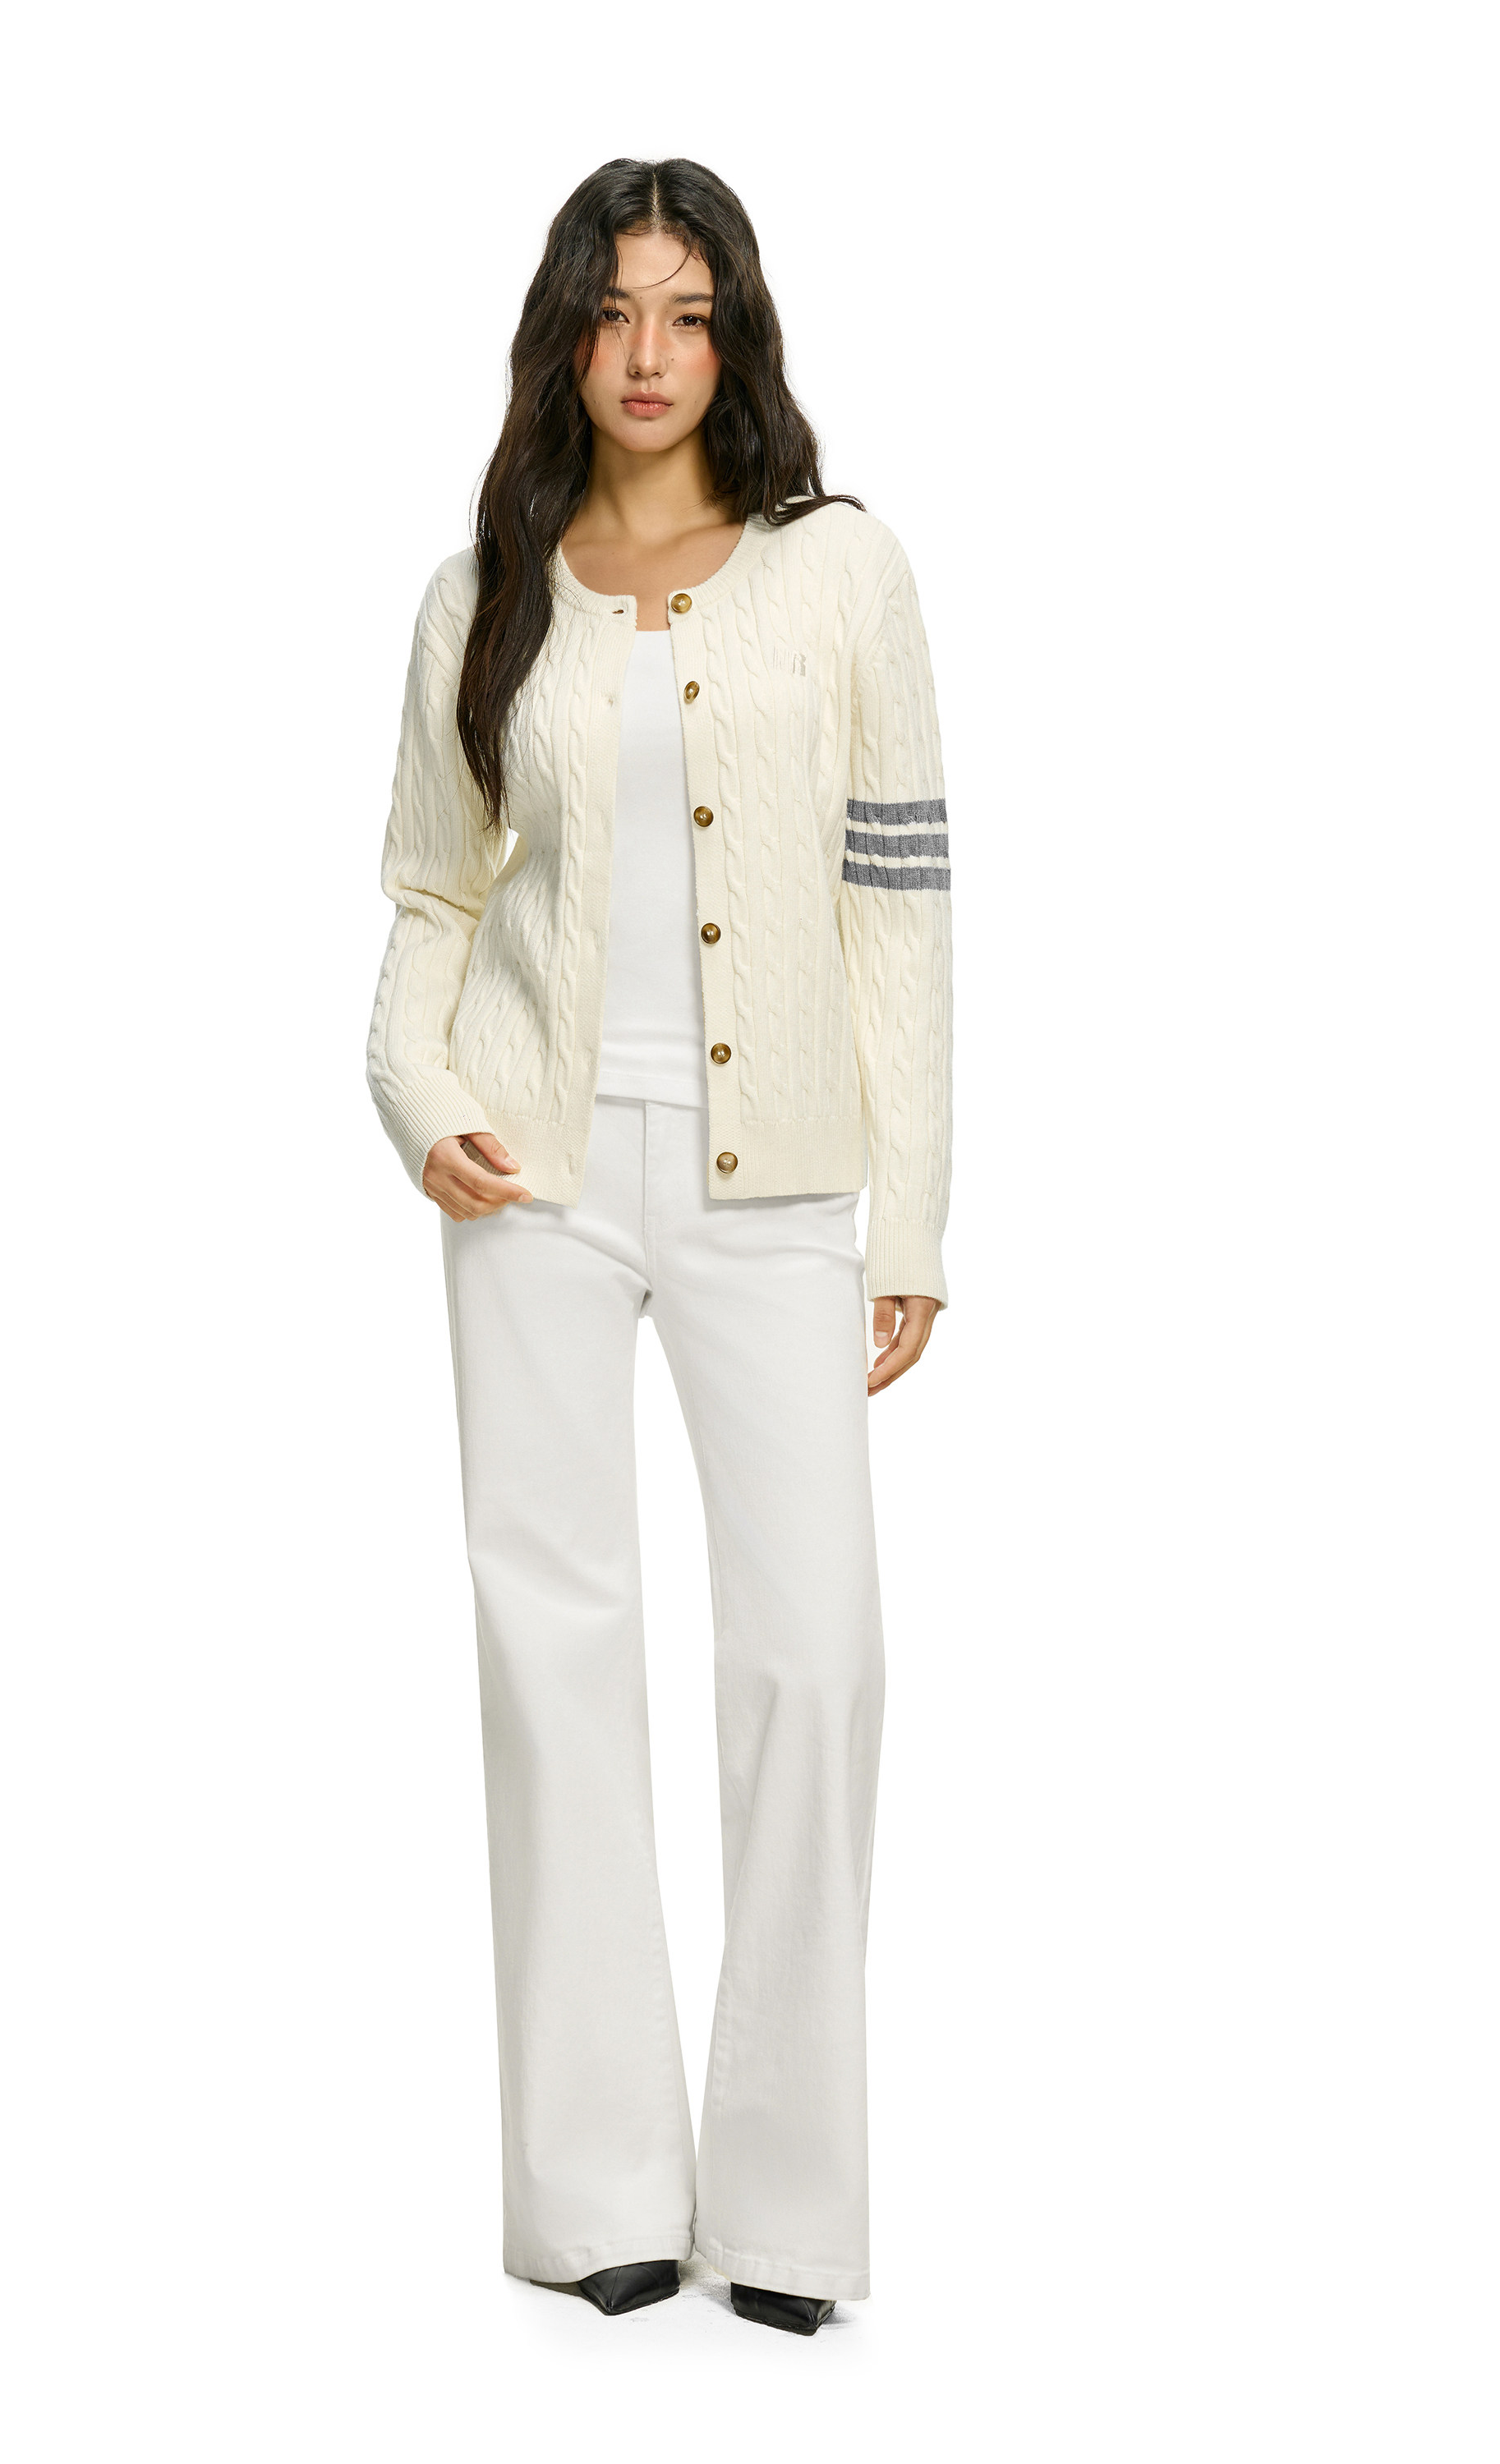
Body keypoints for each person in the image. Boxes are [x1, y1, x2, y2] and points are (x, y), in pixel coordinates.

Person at [364, 157, 953, 2338]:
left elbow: (900, 897)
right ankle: (597, 2191)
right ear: (563, 334)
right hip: (526, 1164)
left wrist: (916, 1211)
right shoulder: (481, 593)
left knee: (816, 1657)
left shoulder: (840, 570)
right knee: (555, 1649)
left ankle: (788, 2216)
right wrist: (421, 1100)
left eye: (686, 314)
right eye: (613, 311)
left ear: (737, 337)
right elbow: (432, 897)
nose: (646, 353)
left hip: (774, 1175)